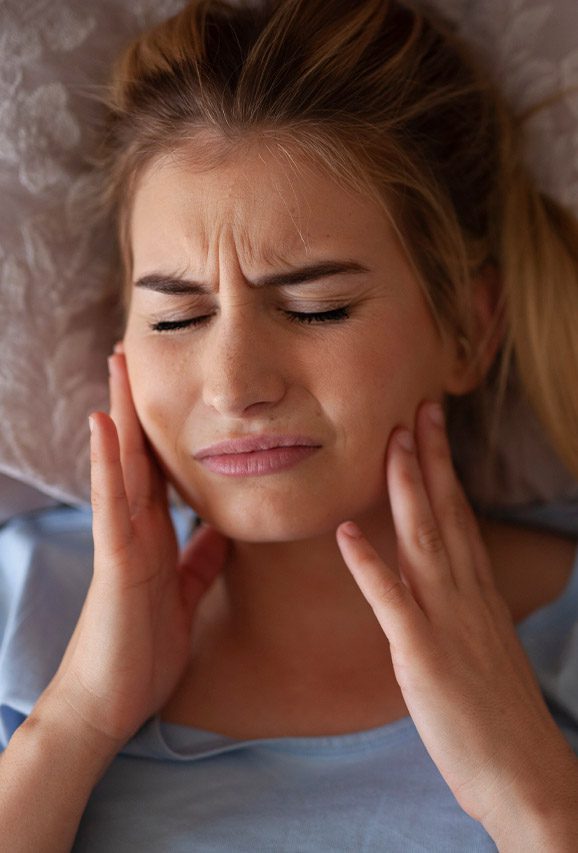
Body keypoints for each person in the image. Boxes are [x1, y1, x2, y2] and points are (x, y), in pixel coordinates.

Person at [1, 0, 578, 849]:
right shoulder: (21, 610)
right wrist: (77, 719)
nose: (235, 387)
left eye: (317, 308)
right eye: (174, 319)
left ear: (470, 327)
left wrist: (536, 805)